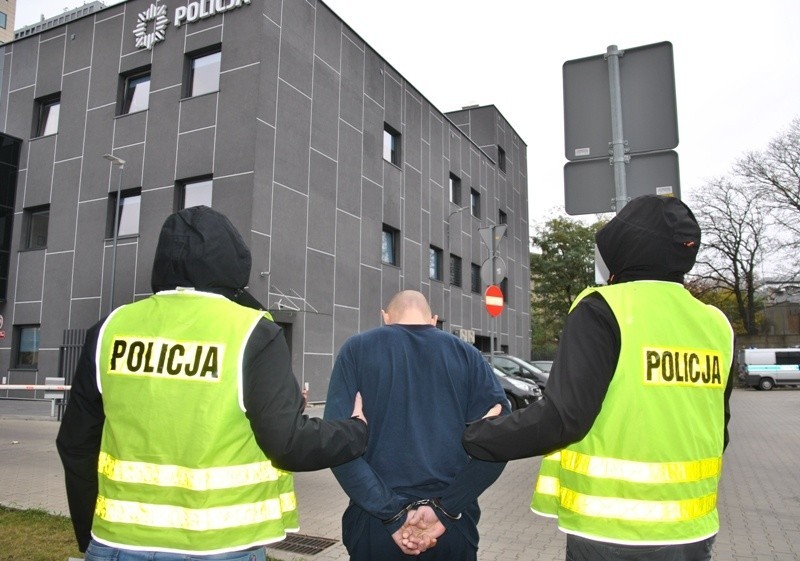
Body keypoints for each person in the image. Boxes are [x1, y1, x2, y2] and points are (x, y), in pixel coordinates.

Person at [56, 206, 368, 561]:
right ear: (233, 264)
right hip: (218, 548)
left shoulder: (109, 329)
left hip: (115, 544)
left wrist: (90, 534)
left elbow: (75, 444)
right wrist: (356, 431)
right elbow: (288, 443)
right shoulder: (252, 331)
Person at [463, 195, 735, 561]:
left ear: (622, 245)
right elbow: (721, 428)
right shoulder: (716, 323)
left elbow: (562, 419)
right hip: (693, 529)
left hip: (612, 533)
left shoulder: (603, 308)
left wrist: (475, 436)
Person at [323, 290, 508, 560]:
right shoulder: (467, 355)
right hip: (452, 527)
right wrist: (446, 509)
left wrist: (393, 514)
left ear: (385, 317)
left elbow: (334, 444)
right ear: (433, 320)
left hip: (374, 524)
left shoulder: (356, 350)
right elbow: (501, 442)